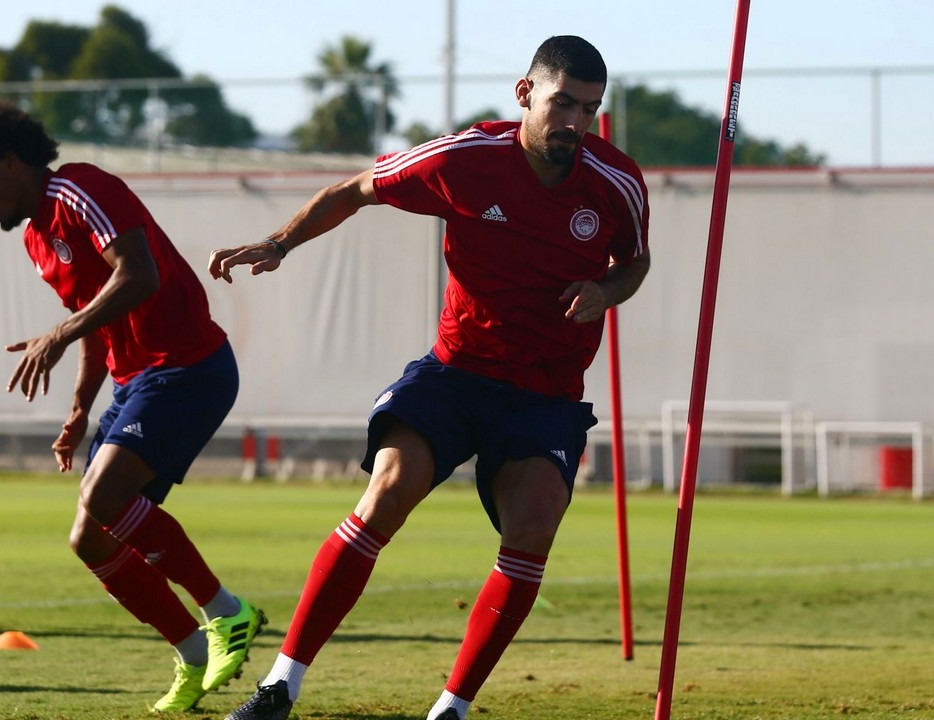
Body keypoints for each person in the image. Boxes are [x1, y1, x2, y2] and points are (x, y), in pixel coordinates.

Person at [209, 35, 651, 720]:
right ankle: (280, 686)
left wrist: (607, 290)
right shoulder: (464, 159)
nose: (574, 123)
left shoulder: (617, 181)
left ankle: (451, 710)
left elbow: (636, 263)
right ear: (525, 92)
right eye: (562, 103)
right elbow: (353, 190)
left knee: (534, 526)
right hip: (457, 373)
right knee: (387, 490)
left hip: (545, 393)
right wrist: (279, 243)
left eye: (589, 110)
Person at [0, 101, 265, 713]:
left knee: (104, 498)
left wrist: (56, 338)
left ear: (12, 164)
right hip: (134, 382)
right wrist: (79, 409)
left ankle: (229, 612)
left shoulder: (78, 189)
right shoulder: (38, 238)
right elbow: (98, 318)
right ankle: (194, 652)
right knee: (88, 538)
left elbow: (137, 276)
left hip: (186, 367)